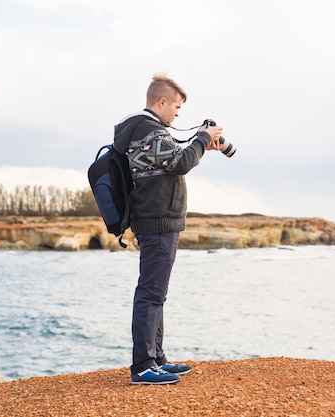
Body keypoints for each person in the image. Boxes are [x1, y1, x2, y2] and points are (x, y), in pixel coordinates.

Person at [112, 74, 223, 385]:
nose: (177, 113)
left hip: (161, 219)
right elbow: (180, 162)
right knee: (150, 293)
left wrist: (200, 143)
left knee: (156, 294)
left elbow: (172, 158)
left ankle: (157, 358)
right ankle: (144, 366)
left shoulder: (151, 131)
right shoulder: (147, 129)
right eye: (175, 106)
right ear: (161, 102)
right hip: (157, 220)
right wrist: (202, 138)